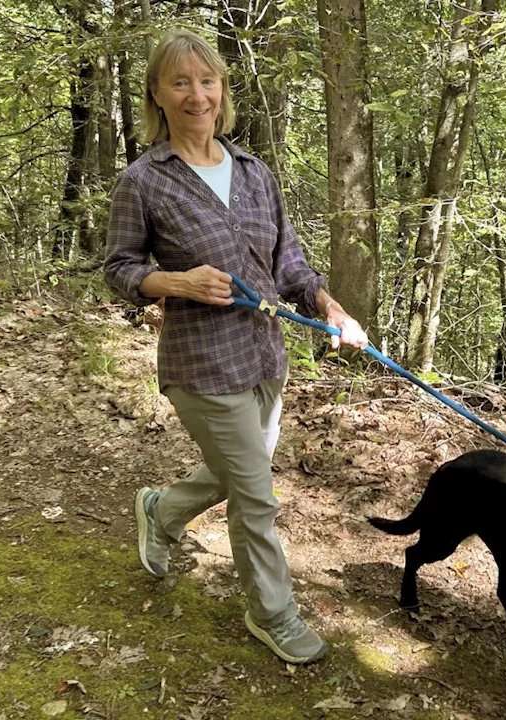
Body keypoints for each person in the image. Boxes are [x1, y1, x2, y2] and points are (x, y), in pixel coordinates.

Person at [103, 29, 367, 666]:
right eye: (181, 82)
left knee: (234, 473)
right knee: (255, 494)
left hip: (266, 357)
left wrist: (332, 311)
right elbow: (118, 268)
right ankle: (273, 613)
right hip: (202, 364)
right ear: (156, 94)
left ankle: (161, 512)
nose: (197, 94)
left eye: (208, 80)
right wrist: (175, 282)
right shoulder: (145, 180)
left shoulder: (253, 171)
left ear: (222, 90)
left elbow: (290, 263)